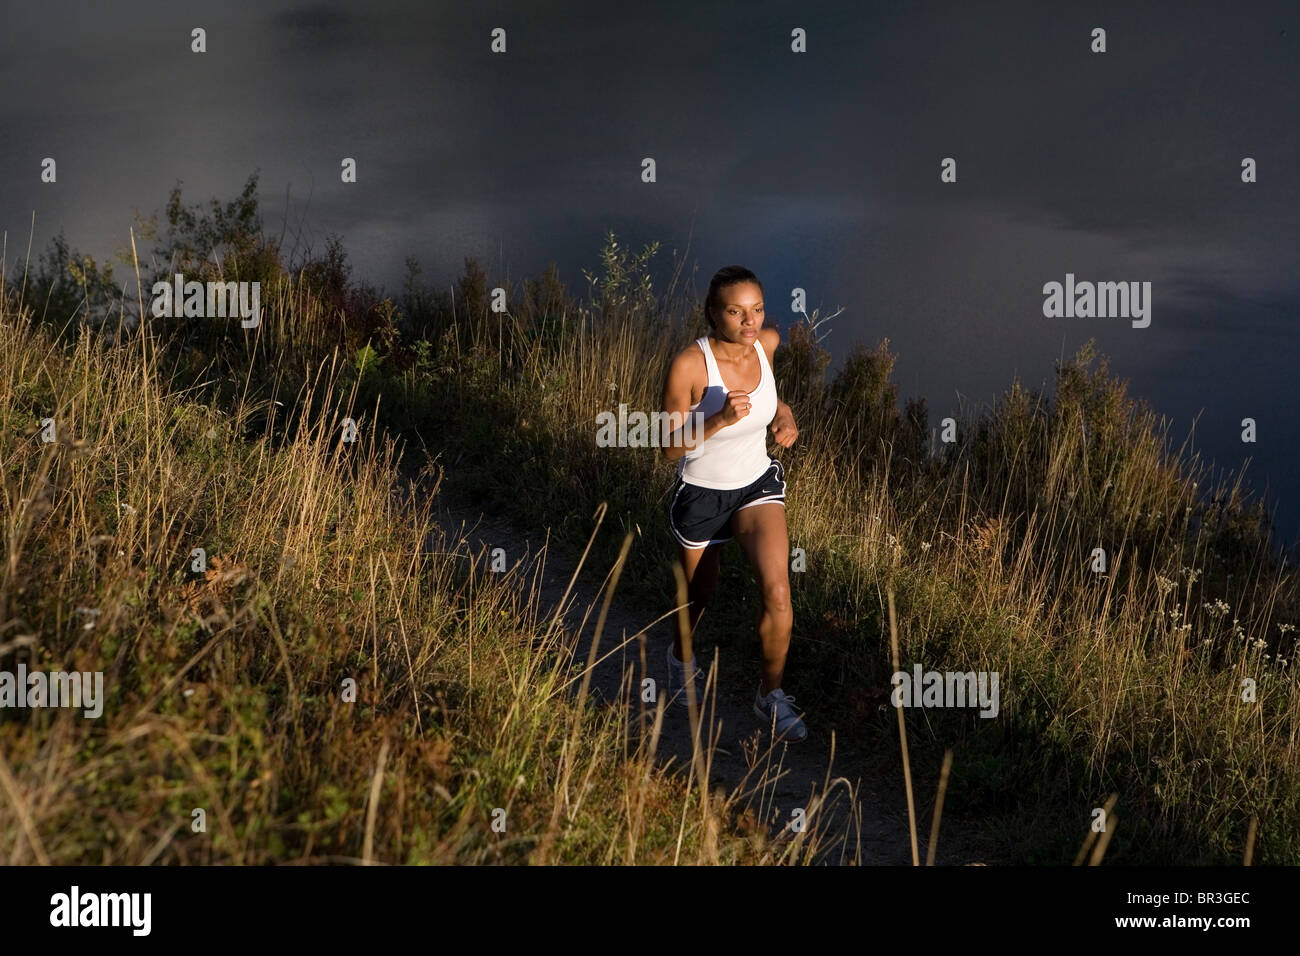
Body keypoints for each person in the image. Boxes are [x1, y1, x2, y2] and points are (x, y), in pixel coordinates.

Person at [659, 265, 806, 742]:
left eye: (757, 310)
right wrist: (719, 419)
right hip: (702, 490)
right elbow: (668, 447)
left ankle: (771, 697)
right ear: (712, 314)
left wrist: (784, 419)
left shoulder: (766, 345)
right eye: (736, 312)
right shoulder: (690, 366)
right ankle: (680, 659)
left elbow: (773, 400)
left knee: (778, 592)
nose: (750, 322)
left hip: (755, 486)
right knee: (699, 596)